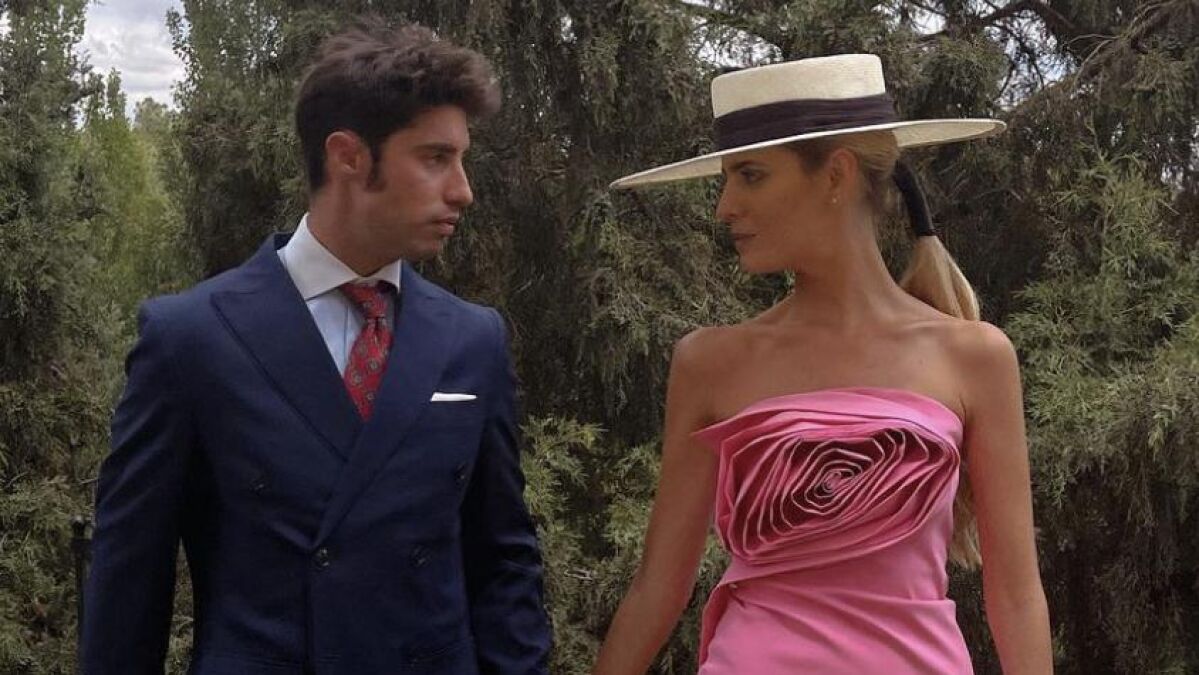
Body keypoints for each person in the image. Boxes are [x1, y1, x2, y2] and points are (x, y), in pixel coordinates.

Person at [81, 20, 551, 674]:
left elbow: (503, 564)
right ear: (348, 156)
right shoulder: (191, 338)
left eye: (461, 159)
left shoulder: (473, 339)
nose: (462, 190)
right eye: (435, 158)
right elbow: (129, 583)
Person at [593, 54, 1052, 674]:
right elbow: (657, 588)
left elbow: (1017, 595)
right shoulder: (709, 362)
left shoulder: (975, 356)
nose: (724, 206)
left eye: (750, 176)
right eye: (727, 179)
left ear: (835, 174)